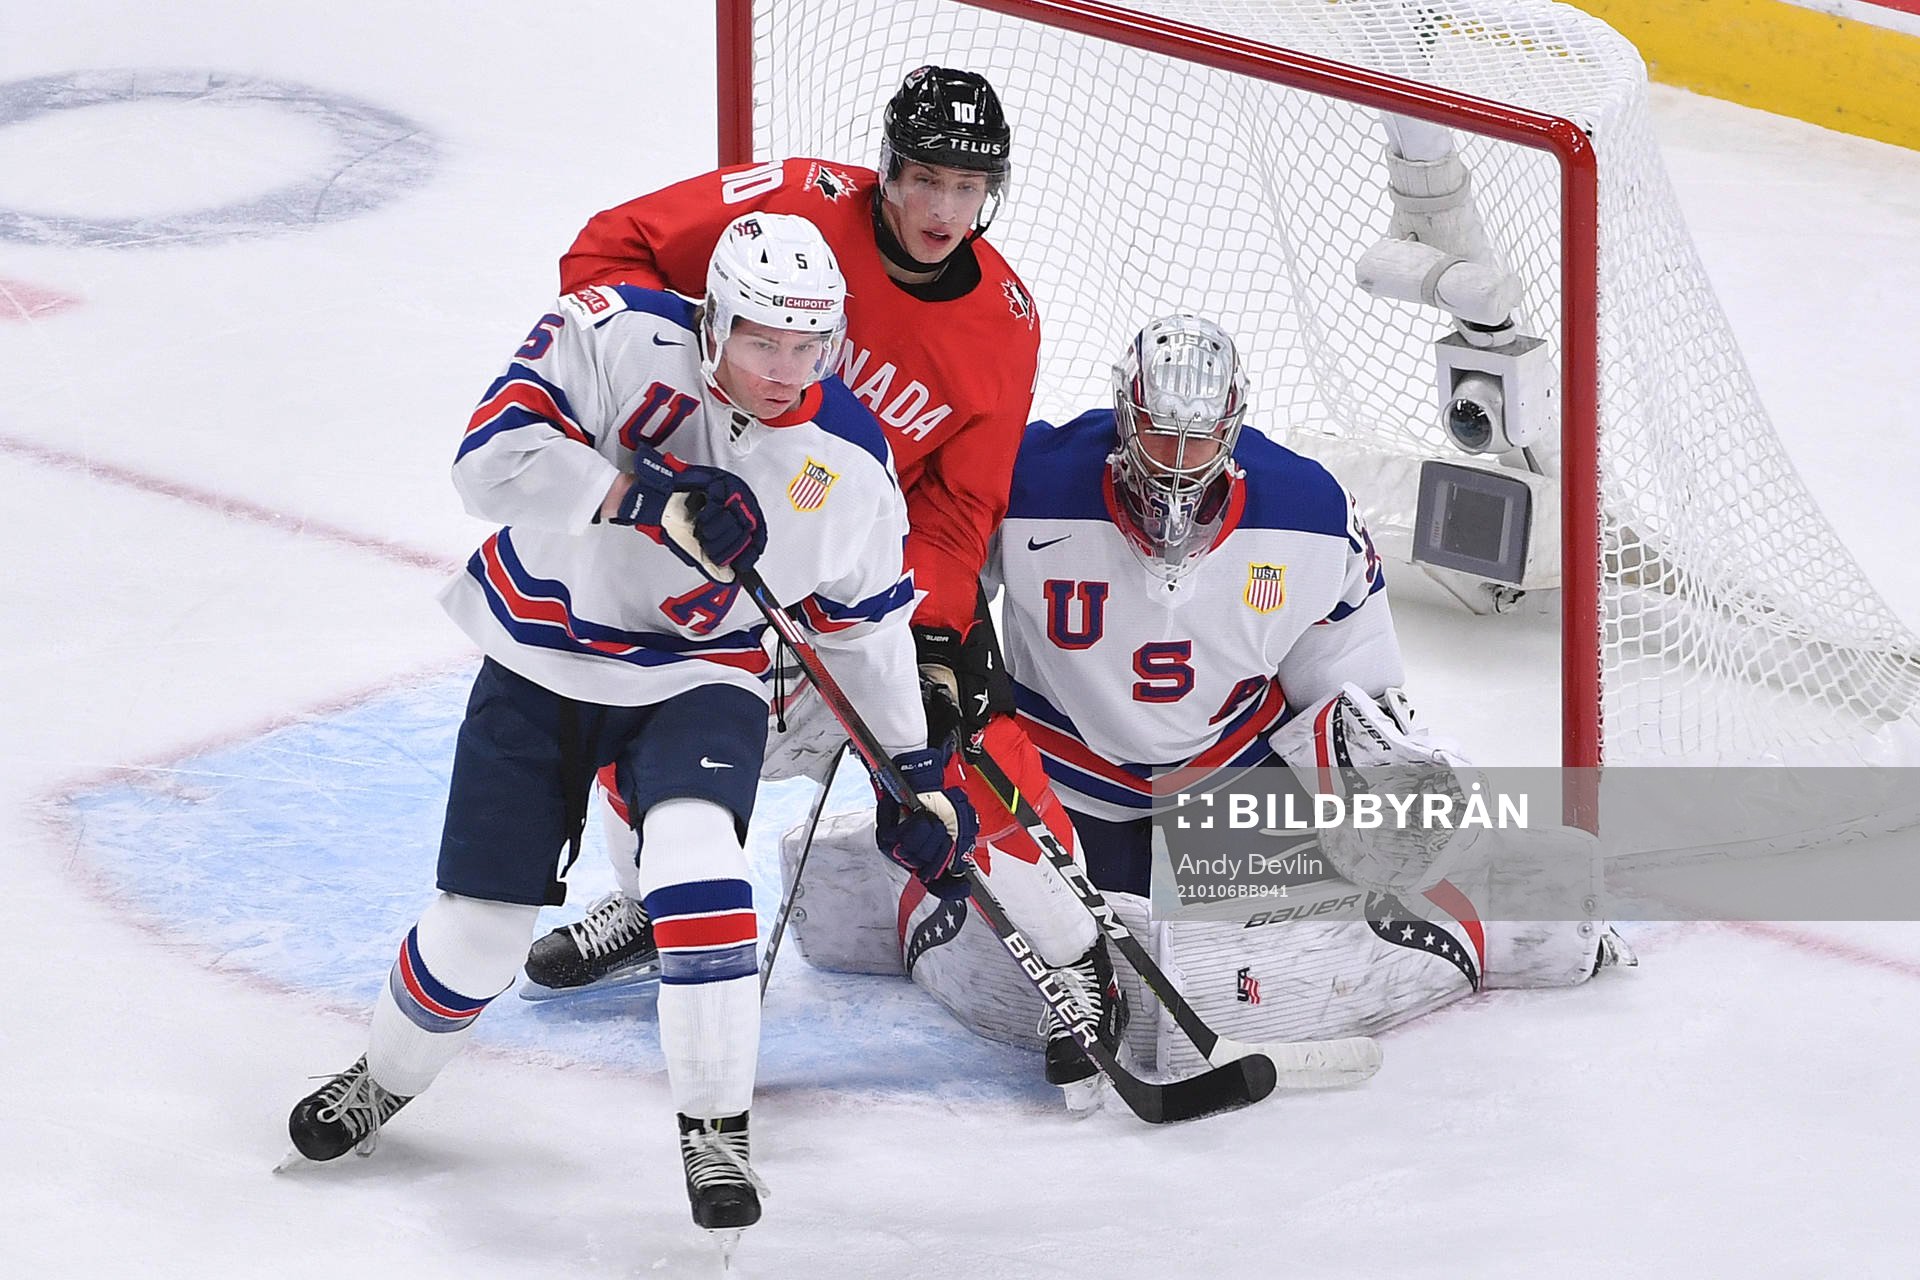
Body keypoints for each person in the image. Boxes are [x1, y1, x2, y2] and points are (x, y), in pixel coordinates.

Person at [283, 212, 979, 1243]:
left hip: (699, 675)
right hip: (541, 652)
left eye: (808, 343)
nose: (786, 368)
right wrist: (639, 495)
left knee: (700, 867)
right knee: (477, 940)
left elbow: (868, 630)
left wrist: (911, 773)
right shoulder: (610, 334)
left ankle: (717, 1126)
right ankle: (382, 1079)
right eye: (761, 339)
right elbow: (485, 463)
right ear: (713, 321)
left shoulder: (849, 460)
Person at [777, 315, 1629, 1076]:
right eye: (1159, 433)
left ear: (1234, 426)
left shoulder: (1306, 511)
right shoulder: (1031, 479)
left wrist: (1375, 769)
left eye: (1199, 440)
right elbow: (940, 565)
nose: (1177, 464)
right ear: (1125, 413)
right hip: (1066, 788)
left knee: (1300, 929)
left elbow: (1350, 676)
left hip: (1227, 786)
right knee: (1057, 921)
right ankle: (904, 899)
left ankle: (1483, 921)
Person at [523, 65, 1128, 1102]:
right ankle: (648, 905)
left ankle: (1080, 954)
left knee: (963, 755)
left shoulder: (1004, 323)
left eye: (969, 187)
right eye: (926, 178)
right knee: (644, 705)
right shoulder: (790, 206)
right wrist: (669, 415)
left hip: (856, 570)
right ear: (886, 169)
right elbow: (607, 252)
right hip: (708, 538)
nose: (945, 210)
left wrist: (931, 629)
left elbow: (957, 507)